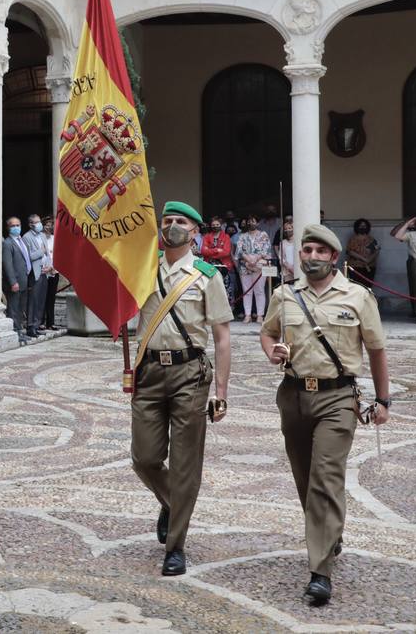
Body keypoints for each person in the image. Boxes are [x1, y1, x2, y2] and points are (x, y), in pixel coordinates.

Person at [260, 224, 391, 607]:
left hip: (337, 398)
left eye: (321, 251)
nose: (313, 257)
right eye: (307, 250)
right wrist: (272, 351)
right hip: (293, 396)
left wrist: (384, 401)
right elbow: (267, 333)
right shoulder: (284, 295)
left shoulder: (358, 296)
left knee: (324, 477)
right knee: (305, 476)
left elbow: (377, 350)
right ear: (299, 255)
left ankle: (320, 572)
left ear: (335, 257)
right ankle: (329, 532)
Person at [130, 201, 231, 577]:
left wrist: (221, 391)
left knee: (186, 463)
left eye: (180, 222)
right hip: (149, 372)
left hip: (190, 373)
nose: (172, 226)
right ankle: (171, 501)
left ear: (194, 232)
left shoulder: (206, 275)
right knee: (144, 457)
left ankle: (176, 546)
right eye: (167, 221)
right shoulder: (143, 269)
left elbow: (221, 338)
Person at [234, 215, 273, 323]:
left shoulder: (263, 235)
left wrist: (255, 259)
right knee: (247, 291)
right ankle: (248, 315)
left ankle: (260, 315)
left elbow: (266, 250)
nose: (251, 223)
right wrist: (248, 260)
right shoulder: (242, 236)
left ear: (258, 223)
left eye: (253, 221)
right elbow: (239, 251)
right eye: (249, 222)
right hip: (245, 266)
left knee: (260, 291)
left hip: (259, 266)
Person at [3, 217, 32, 343]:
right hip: (15, 282)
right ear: (8, 228)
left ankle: (20, 330)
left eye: (18, 225)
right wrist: (13, 281)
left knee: (21, 308)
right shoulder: (8, 243)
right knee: (13, 309)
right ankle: (14, 331)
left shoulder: (22, 241)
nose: (16, 227)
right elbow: (7, 264)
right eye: (12, 225)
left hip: (24, 281)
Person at [199, 215, 236, 308]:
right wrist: (217, 250)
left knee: (225, 288)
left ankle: (226, 309)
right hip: (209, 266)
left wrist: (210, 251)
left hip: (224, 266)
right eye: (213, 224)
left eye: (217, 224)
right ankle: (212, 309)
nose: (215, 226)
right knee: (211, 288)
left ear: (221, 225)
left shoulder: (226, 236)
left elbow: (226, 252)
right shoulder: (207, 237)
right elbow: (203, 251)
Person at [23, 214, 48, 339]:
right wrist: (41, 252)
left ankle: (37, 325)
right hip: (34, 273)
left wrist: (49, 266)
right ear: (30, 225)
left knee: (41, 300)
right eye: (36, 222)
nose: (39, 225)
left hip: (45, 272)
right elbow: (28, 256)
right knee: (33, 300)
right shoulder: (26, 237)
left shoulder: (43, 236)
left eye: (39, 222)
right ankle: (30, 326)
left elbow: (47, 253)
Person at [346, 218, 380, 289]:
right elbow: (350, 252)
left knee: (367, 286)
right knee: (356, 286)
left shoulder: (371, 239)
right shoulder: (353, 239)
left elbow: (377, 251)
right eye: (361, 226)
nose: (363, 227)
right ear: (357, 227)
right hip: (355, 267)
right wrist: (363, 259)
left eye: (364, 226)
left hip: (369, 267)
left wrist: (369, 260)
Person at [41, 218, 60, 330]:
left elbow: (58, 255)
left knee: (51, 298)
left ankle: (50, 322)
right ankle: (41, 322)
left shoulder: (54, 239)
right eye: (47, 225)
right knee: (42, 297)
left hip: (54, 271)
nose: (49, 227)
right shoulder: (39, 238)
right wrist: (46, 268)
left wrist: (54, 267)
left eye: (51, 225)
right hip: (43, 272)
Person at [274, 215, 298, 282]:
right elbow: (281, 257)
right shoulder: (283, 242)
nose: (287, 230)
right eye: (285, 229)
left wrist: (295, 267)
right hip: (286, 271)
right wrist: (288, 267)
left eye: (290, 228)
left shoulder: (298, 241)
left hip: (298, 270)